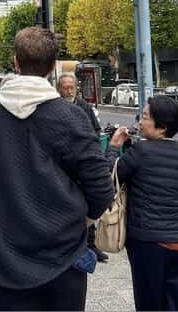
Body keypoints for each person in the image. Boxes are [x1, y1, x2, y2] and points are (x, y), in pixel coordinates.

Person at [0, 27, 114, 311]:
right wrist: (85, 221)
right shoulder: (71, 117)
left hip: (3, 256)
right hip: (64, 255)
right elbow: (101, 187)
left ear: (16, 62)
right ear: (53, 66)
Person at [108, 96, 178, 312]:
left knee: (150, 304)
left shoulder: (142, 151)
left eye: (146, 117)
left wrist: (114, 147)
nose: (140, 121)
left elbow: (110, 177)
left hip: (150, 242)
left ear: (162, 127)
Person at [56, 72, 107, 263]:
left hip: (81, 161)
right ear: (59, 88)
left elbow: (95, 131)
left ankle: (91, 244)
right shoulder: (54, 106)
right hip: (62, 163)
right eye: (66, 87)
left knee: (88, 200)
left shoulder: (83, 106)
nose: (69, 90)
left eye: (72, 87)